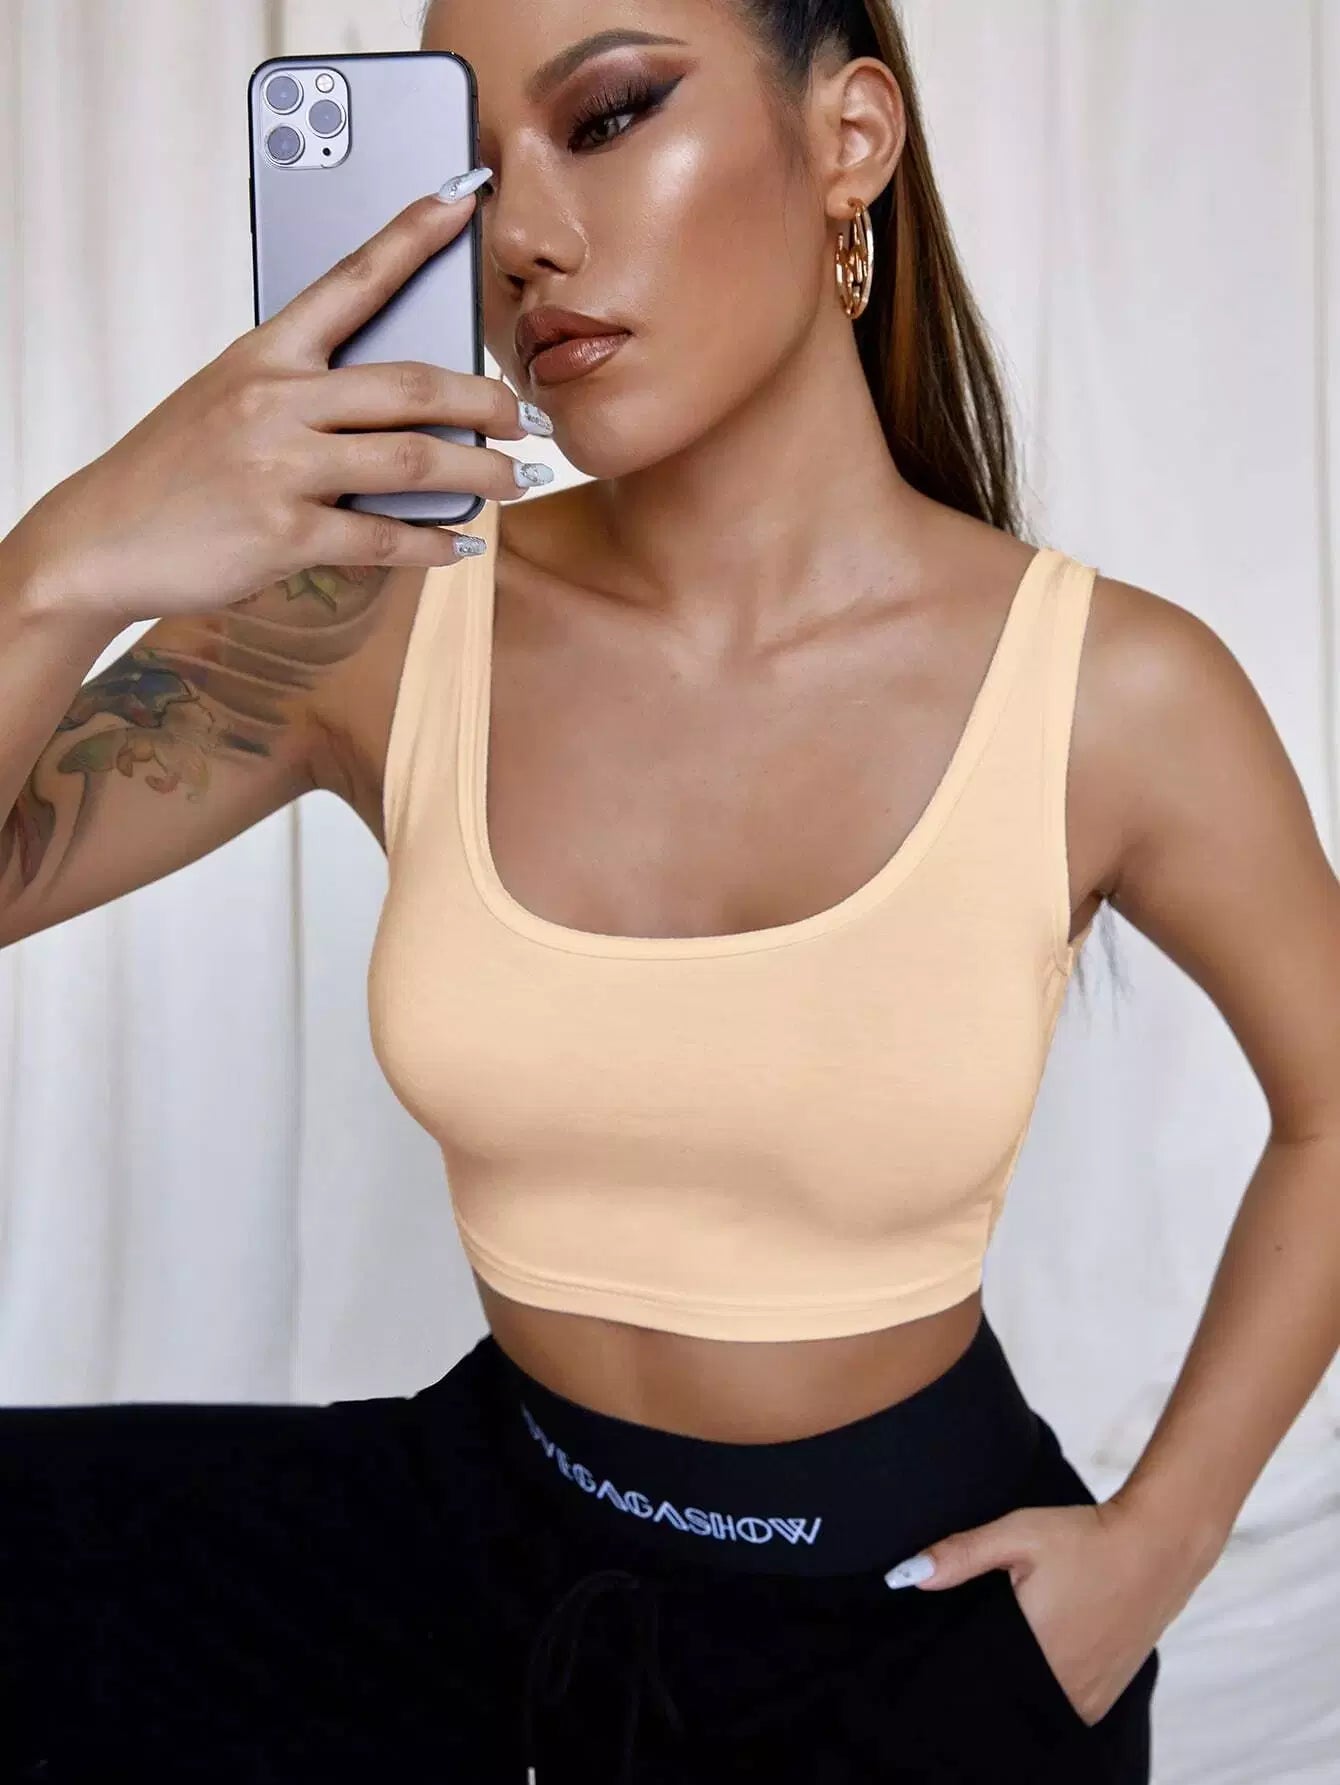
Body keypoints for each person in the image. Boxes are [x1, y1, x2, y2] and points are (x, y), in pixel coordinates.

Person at [3, 1, 1339, 1781]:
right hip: (491, 1545)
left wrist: (1159, 1546)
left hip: (913, 1614)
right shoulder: (372, 614)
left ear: (849, 139)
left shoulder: (1115, 691)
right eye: (474, 169)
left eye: (612, 115)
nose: (525, 237)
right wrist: (63, 564)